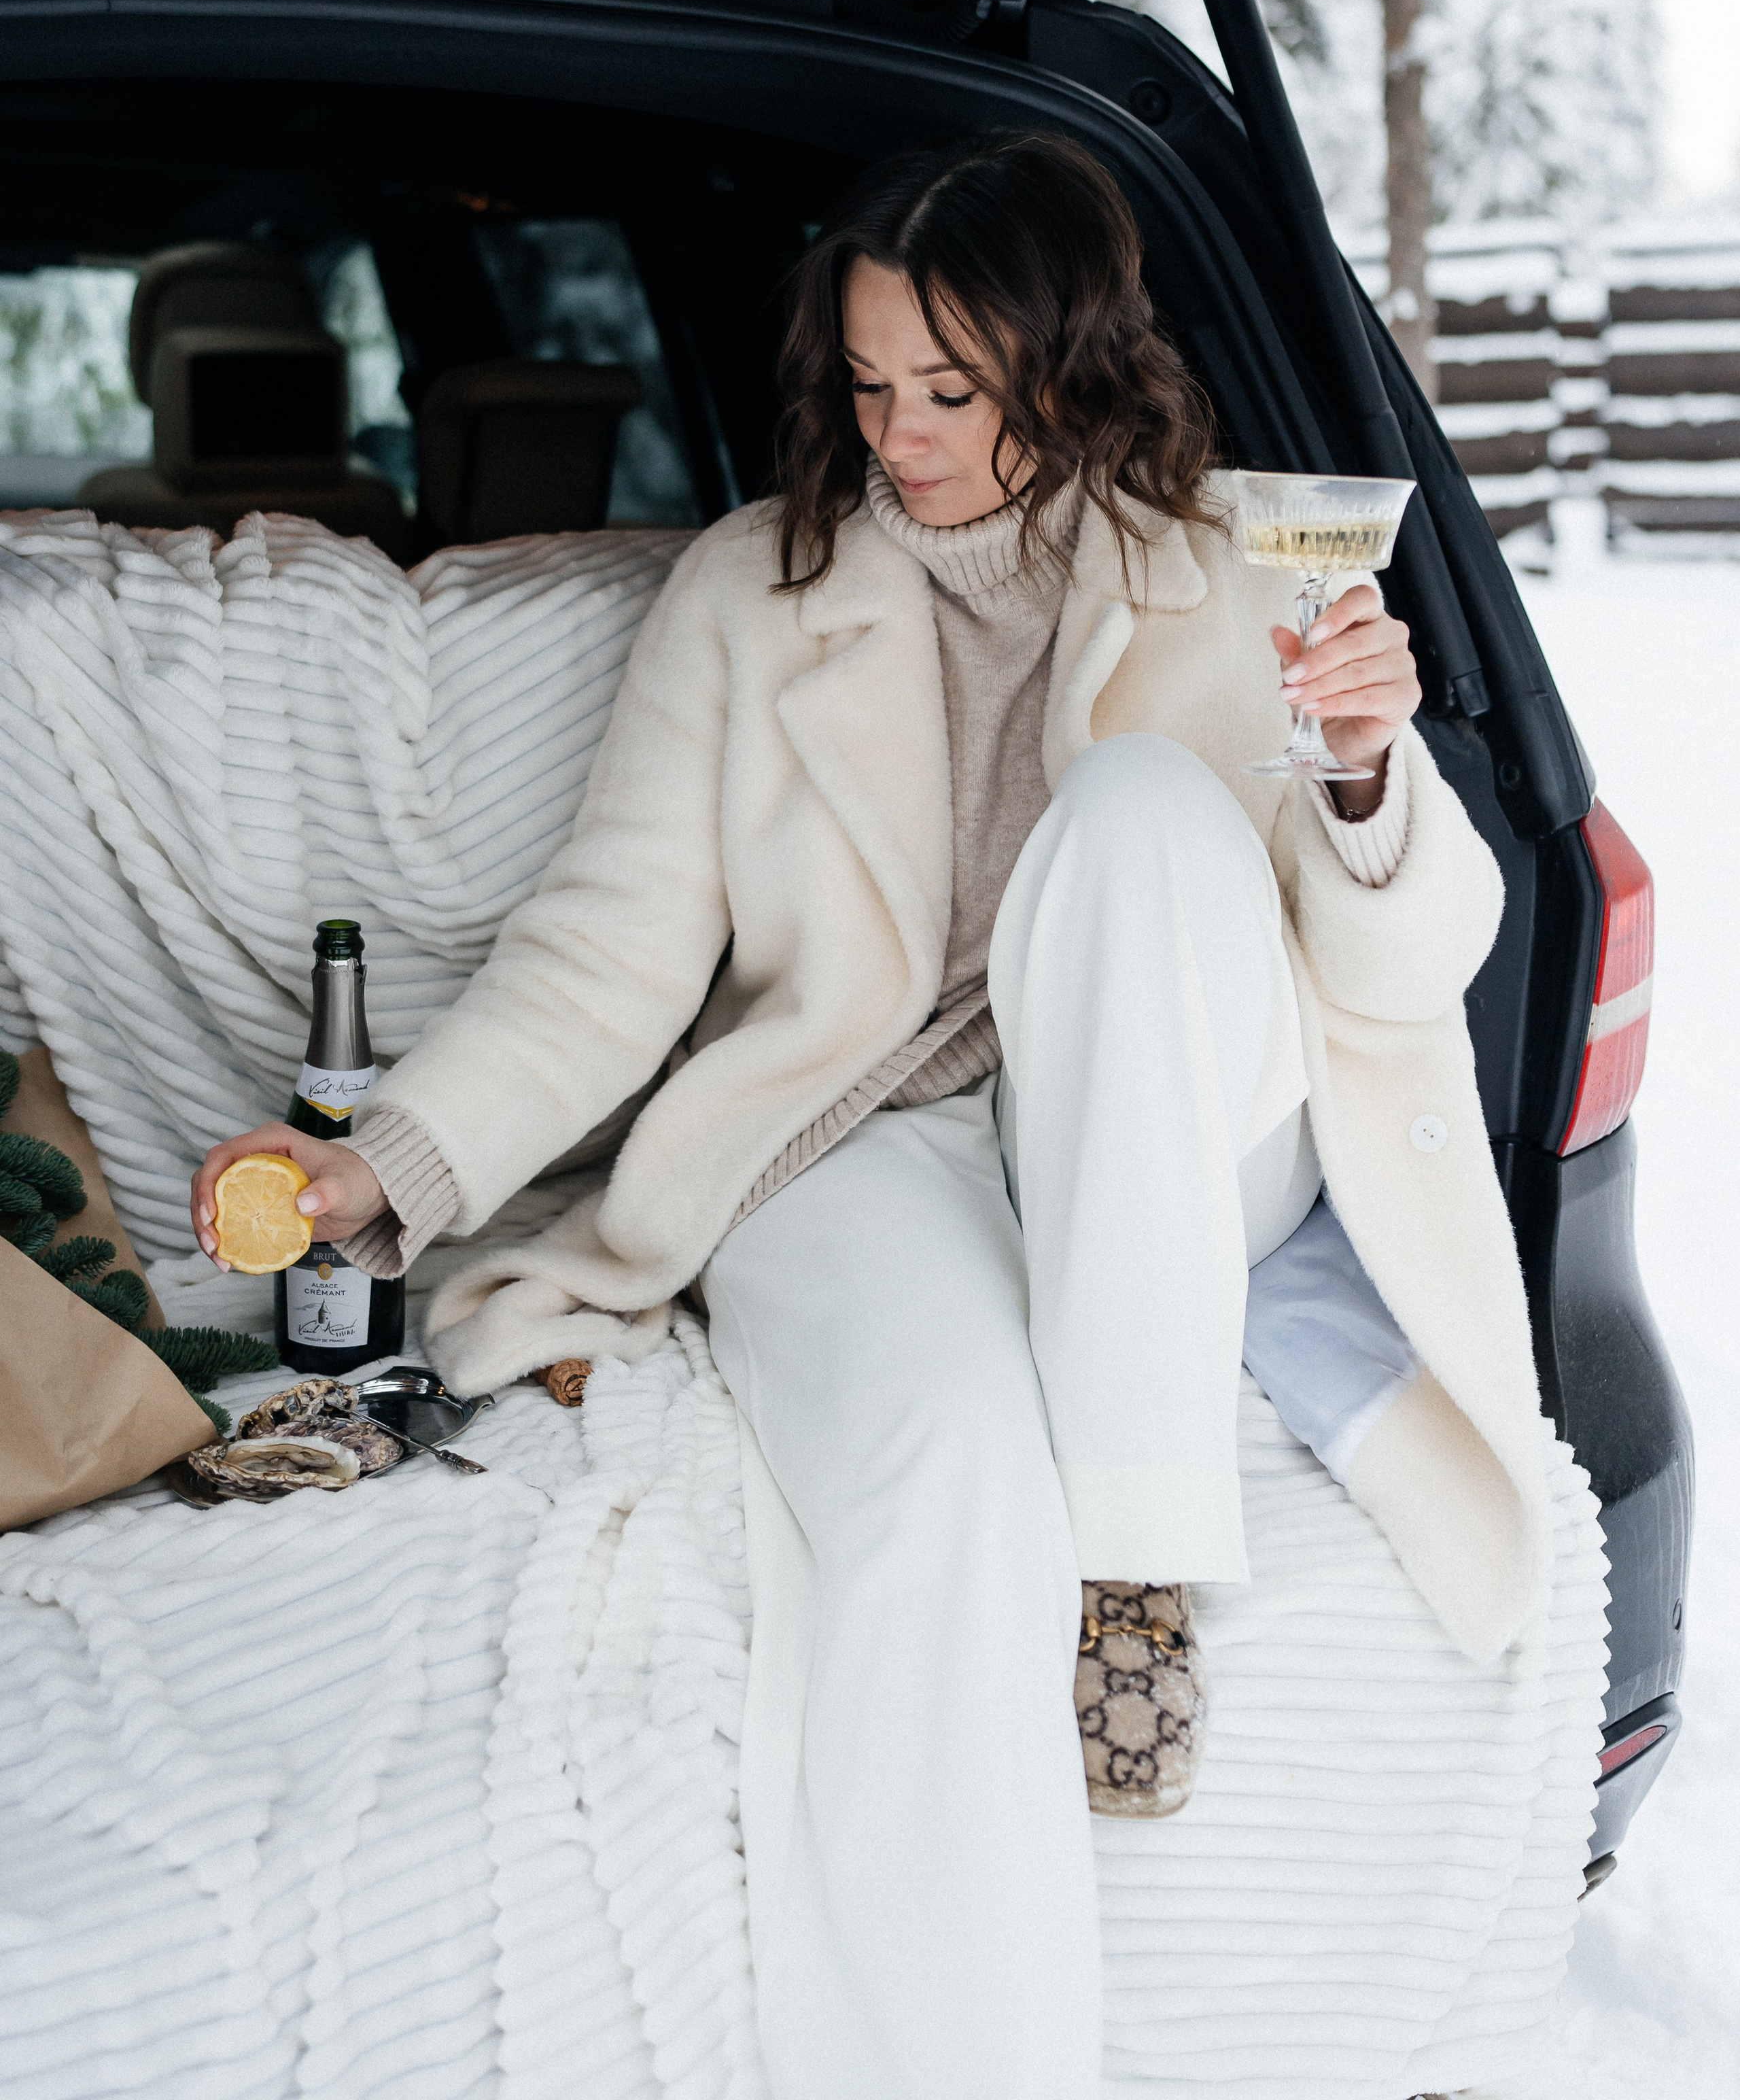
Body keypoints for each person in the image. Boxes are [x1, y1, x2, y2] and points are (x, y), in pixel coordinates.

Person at [193, 133, 1548, 2100]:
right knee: (943, 1494)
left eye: (953, 391)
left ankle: (1141, 1562)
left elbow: (1415, 959)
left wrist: (1361, 770)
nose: (898, 435)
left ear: (1072, 364)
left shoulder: (1240, 560)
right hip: (862, 1135)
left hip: (1169, 1117)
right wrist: (385, 1163)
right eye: (866, 385)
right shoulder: (755, 594)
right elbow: (610, 951)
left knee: (1151, 814)